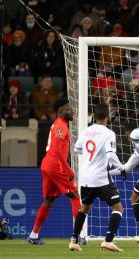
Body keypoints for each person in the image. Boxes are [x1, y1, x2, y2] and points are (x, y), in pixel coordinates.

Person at [69, 103, 124, 252]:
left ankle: (74, 241)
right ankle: (108, 240)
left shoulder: (86, 131)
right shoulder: (109, 133)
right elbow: (111, 155)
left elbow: (76, 148)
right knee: (118, 208)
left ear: (94, 116)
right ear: (107, 117)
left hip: (86, 177)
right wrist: (121, 167)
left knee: (84, 208)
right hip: (101, 178)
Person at [27, 99, 81, 245]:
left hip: (48, 164)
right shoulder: (60, 125)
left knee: (49, 201)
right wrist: (68, 168)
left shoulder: (59, 124)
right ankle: (78, 235)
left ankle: (33, 235)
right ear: (60, 111)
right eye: (67, 108)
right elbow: (57, 150)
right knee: (75, 197)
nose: (71, 110)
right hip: (55, 165)